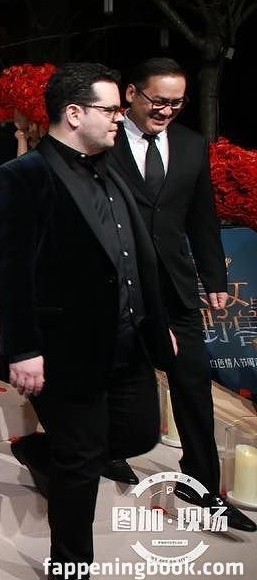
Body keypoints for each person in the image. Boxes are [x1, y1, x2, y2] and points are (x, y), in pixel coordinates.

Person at [0, 62, 175, 580]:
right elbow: (8, 271)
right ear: (74, 113)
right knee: (83, 458)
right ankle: (70, 572)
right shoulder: (20, 177)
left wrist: (156, 322)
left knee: (138, 434)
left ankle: (42, 450)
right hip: (63, 347)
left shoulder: (111, 166)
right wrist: (23, 348)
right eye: (110, 109)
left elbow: (135, 252)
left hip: (127, 339)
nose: (120, 118)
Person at [106, 57, 254, 532]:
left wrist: (214, 280)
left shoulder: (191, 145)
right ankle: (110, 452)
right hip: (119, 285)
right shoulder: (104, 140)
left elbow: (202, 218)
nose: (166, 110)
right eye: (158, 100)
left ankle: (203, 486)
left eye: (176, 102)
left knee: (193, 385)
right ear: (132, 94)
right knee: (119, 375)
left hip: (176, 286)